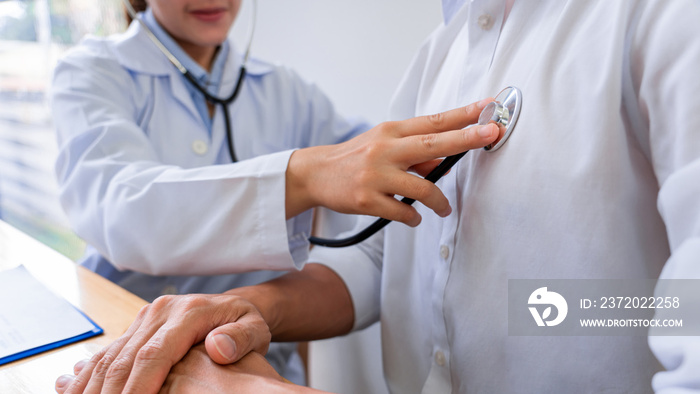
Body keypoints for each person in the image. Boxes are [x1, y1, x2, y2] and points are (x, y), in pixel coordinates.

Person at [58, 0, 700, 392]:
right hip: (131, 335)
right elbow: (393, 255)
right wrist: (247, 306)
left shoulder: (658, 17)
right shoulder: (442, 53)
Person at [50, 0, 500, 385]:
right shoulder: (91, 72)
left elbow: (368, 157)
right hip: (124, 346)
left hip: (245, 359)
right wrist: (302, 176)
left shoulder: (284, 88)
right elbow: (123, 213)